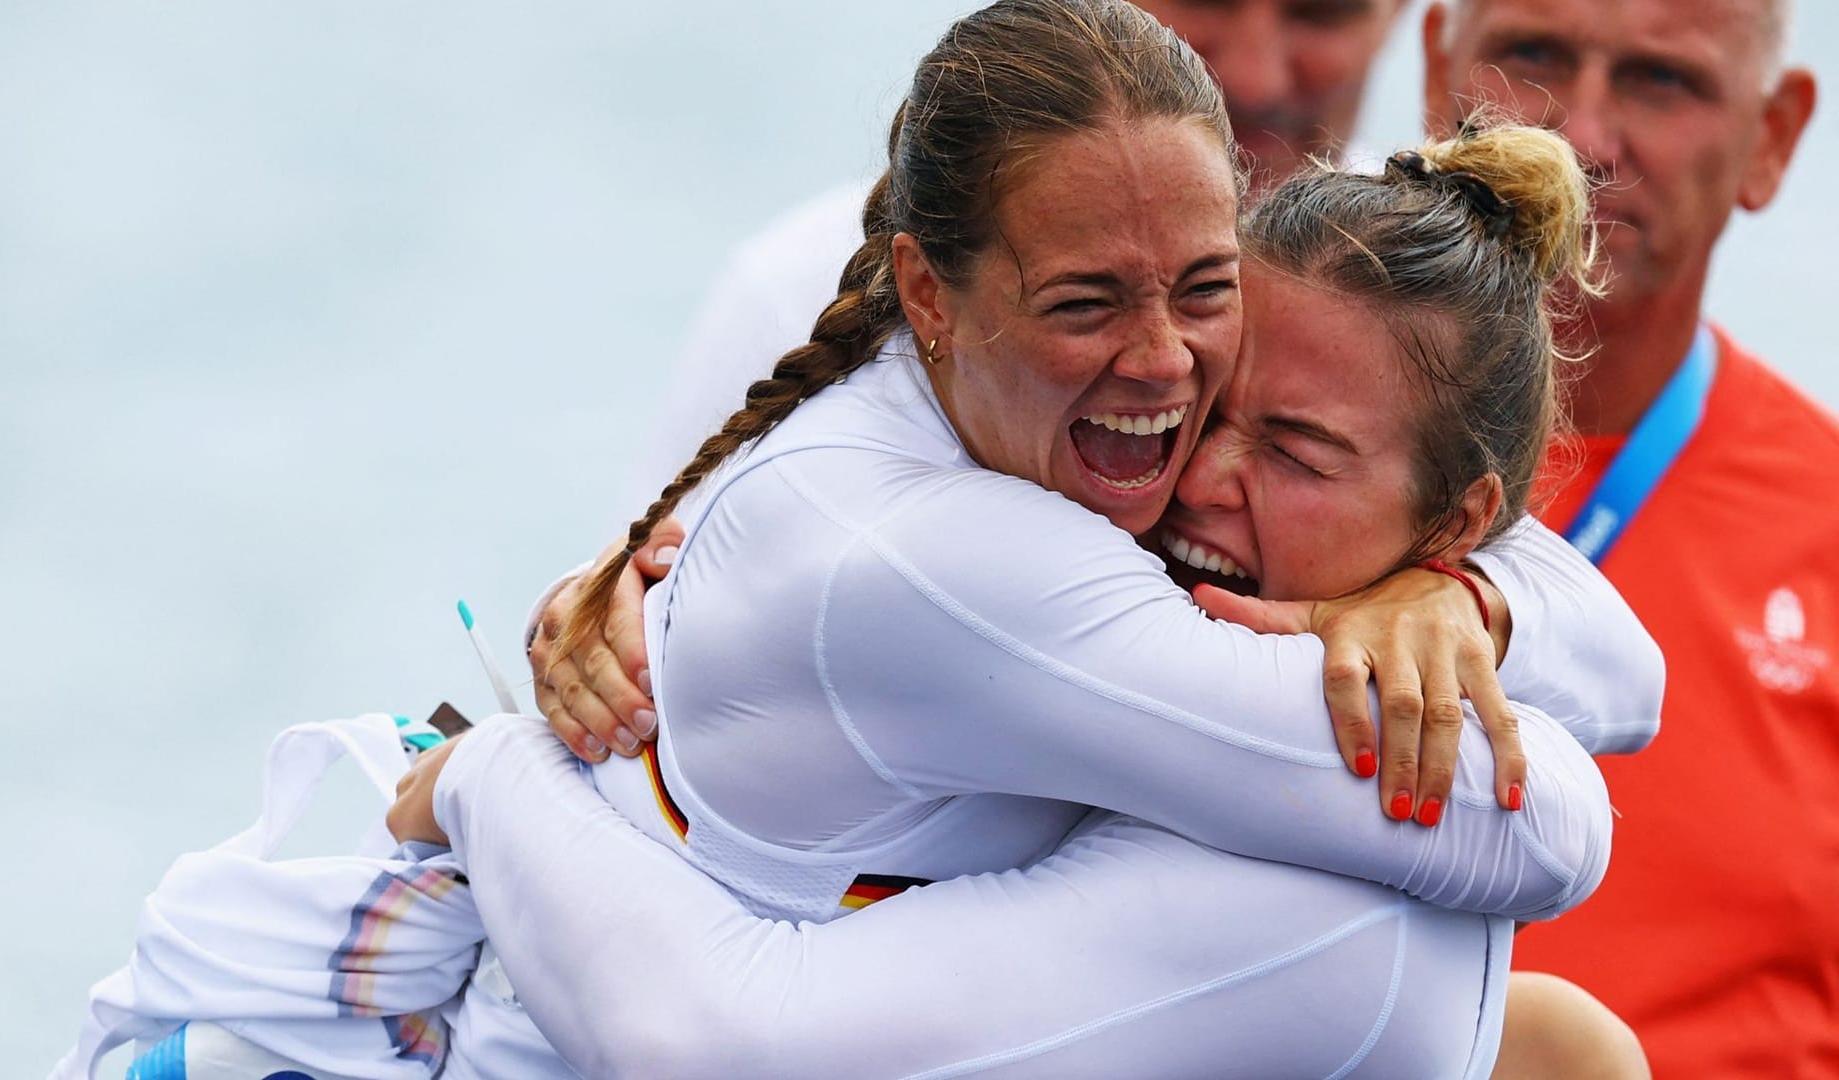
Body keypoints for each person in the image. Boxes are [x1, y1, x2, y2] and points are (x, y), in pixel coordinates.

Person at [395, 116, 1655, 1077]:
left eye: (1295, 452)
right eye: (1198, 400)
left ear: (1458, 523)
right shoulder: (1029, 542)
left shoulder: (1340, 914)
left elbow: (1557, 802)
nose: (1193, 466)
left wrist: (1467, 605)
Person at [1418, 2, 1839, 1074]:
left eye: (1663, 81)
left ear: (1775, 137)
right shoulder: (1230, 469)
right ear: (1438, 71)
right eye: (1534, 56)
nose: (1583, 139)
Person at [634, 0, 1411, 511]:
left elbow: (1500, 527)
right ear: (926, 294)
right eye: (1080, 303)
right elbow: (644, 597)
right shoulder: (793, 285)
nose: (1252, 72)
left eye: (1322, 9)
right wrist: (611, 598)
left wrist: (1464, 598)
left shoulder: (1408, 285)